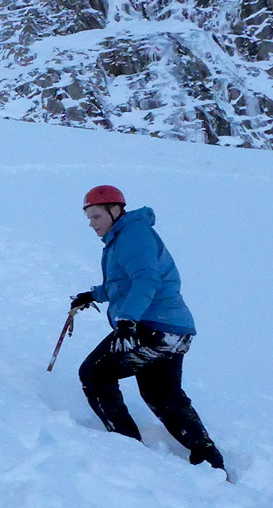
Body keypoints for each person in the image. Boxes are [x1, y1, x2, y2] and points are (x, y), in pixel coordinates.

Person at [71, 185, 226, 474]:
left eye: (96, 216)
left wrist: (127, 321)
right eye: (89, 218)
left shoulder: (133, 234)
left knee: (95, 373)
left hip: (151, 326)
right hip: (174, 330)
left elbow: (145, 280)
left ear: (115, 210)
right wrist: (93, 294)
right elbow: (125, 282)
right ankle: (212, 464)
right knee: (162, 395)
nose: (92, 224)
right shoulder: (126, 236)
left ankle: (126, 448)